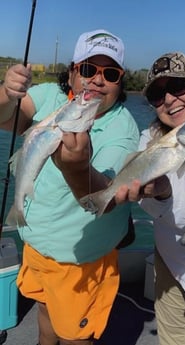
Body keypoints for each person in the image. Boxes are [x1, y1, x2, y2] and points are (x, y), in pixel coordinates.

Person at [0, 29, 139, 345]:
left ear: (120, 82)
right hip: (35, 247)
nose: (98, 80)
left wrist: (76, 167)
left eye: (111, 73)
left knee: (76, 336)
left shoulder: (123, 127)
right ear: (74, 72)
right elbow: (7, 118)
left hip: (81, 262)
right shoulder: (51, 96)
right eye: (89, 69)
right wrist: (7, 94)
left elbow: (103, 198)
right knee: (46, 315)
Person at [115, 52, 185, 345]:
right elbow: (149, 202)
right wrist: (161, 193)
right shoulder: (150, 138)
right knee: (171, 339)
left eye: (178, 86)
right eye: (156, 93)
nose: (169, 99)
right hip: (170, 264)